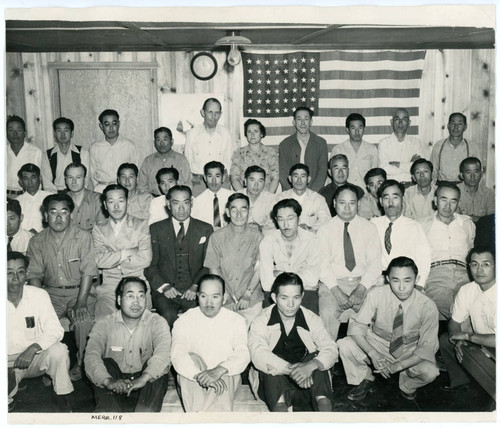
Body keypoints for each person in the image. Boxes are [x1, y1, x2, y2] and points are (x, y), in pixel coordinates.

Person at [338, 257, 439, 401]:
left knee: (431, 371)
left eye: (407, 280)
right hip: (378, 343)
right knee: (344, 344)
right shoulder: (376, 294)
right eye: (396, 280)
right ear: (387, 279)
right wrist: (374, 354)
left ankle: (408, 385)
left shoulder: (428, 306)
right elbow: (356, 326)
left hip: (409, 350)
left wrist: (397, 366)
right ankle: (364, 378)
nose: (402, 287)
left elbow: (427, 348)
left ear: (417, 279)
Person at [26, 193, 98, 381]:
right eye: (53, 212)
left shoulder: (83, 237)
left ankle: (81, 364)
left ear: (71, 215)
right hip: (50, 294)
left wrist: (81, 302)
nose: (58, 217)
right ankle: (49, 365)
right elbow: (34, 275)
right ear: (45, 215)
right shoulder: (37, 241)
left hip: (79, 292)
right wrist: (40, 304)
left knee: (83, 321)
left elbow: (88, 272)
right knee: (40, 322)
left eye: (63, 212)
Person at [248, 272, 337, 412]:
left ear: (302, 297)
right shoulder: (261, 320)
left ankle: (325, 414)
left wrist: (311, 366)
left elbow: (331, 348)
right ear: (274, 298)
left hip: (308, 383)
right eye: (284, 298)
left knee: (317, 359)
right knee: (271, 367)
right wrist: (292, 371)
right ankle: (281, 412)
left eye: (296, 298)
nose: (290, 304)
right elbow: (257, 353)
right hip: (275, 386)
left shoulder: (311, 318)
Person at [84, 277, 171, 412]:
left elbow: (164, 353)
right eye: (130, 296)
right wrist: (108, 381)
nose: (136, 301)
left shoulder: (157, 322)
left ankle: (145, 417)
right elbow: (91, 355)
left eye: (141, 296)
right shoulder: (104, 324)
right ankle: (111, 416)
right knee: (105, 363)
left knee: (158, 369)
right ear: (119, 300)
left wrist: (144, 378)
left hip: (145, 384)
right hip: (114, 383)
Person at [171, 274, 250, 412]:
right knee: (192, 359)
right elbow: (178, 354)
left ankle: (200, 417)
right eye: (203, 296)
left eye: (215, 297)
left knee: (228, 366)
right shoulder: (184, 320)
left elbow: (242, 353)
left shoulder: (236, 320)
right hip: (194, 379)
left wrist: (218, 371)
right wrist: (198, 375)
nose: (209, 303)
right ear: (197, 296)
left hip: (224, 378)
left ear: (224, 298)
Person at [7, 252, 73, 411]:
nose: (16, 278)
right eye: (9, 273)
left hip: (33, 359)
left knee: (59, 350)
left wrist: (33, 348)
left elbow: (55, 329)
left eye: (20, 272)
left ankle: (61, 394)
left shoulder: (39, 295)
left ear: (27, 274)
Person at [317, 185, 382, 340]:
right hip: (333, 285)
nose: (347, 208)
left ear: (358, 205)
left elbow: (375, 264)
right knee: (327, 313)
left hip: (364, 283)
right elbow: (322, 266)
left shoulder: (369, 228)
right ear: (334, 203)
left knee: (379, 314)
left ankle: (370, 354)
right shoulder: (324, 230)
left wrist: (361, 289)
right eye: (342, 203)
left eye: (352, 203)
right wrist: (337, 292)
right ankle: (328, 357)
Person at [145, 185, 213, 327]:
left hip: (194, 290)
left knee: (196, 320)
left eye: (186, 203)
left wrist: (196, 286)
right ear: (168, 204)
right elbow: (150, 266)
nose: (181, 209)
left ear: (191, 203)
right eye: (176, 203)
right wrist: (164, 287)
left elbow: (208, 264)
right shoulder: (156, 229)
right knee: (168, 317)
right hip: (166, 291)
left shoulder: (205, 229)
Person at [438, 247, 495, 391]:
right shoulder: (467, 289)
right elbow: (454, 322)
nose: (479, 270)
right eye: (474, 264)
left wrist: (467, 336)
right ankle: (461, 382)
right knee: (446, 340)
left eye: (486, 264)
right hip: (480, 342)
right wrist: (459, 340)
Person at [92, 184, 152, 320]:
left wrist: (112, 259)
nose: (116, 206)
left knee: (141, 328)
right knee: (104, 326)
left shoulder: (141, 224)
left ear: (127, 202)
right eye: (111, 202)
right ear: (105, 205)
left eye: (121, 201)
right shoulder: (98, 229)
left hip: (138, 285)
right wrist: (126, 253)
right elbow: (98, 260)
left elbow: (145, 258)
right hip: (109, 289)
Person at [204, 193, 264, 325]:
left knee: (253, 338)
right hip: (225, 297)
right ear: (227, 212)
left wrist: (248, 294)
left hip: (251, 299)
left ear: (249, 211)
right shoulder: (217, 237)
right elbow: (214, 268)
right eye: (234, 210)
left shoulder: (258, 237)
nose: (239, 214)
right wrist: (226, 295)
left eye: (243, 209)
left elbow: (259, 269)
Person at [421, 184, 475, 320]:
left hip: (464, 275)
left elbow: (471, 250)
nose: (448, 206)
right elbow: (418, 257)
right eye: (443, 199)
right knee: (456, 313)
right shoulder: (423, 225)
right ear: (435, 200)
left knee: (472, 307)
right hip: (436, 275)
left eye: (453, 201)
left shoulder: (467, 223)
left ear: (458, 203)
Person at [259, 199, 321, 313]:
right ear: (276, 220)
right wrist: (301, 276)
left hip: (305, 294)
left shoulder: (312, 240)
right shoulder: (267, 242)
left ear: (299, 218)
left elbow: (313, 279)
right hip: (277, 295)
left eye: (290, 218)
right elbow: (267, 284)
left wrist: (280, 274)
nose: (286, 224)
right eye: (281, 219)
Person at [371, 180, 431, 287]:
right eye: (386, 198)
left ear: (403, 200)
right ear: (380, 201)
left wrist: (419, 286)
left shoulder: (414, 226)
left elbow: (424, 259)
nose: (390, 202)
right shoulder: (372, 224)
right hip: (378, 280)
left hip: (404, 281)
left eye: (395, 197)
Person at [184, 98, 233, 196]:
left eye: (217, 113)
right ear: (203, 113)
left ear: (221, 114)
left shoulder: (226, 134)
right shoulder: (192, 134)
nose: (213, 116)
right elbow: (188, 161)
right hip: (198, 182)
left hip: (221, 182)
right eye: (210, 112)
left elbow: (229, 162)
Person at [278, 106, 328, 192]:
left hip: (314, 194)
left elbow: (322, 172)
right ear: (294, 122)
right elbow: (283, 173)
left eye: (306, 119)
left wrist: (311, 193)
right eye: (299, 119)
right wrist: (294, 193)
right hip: (291, 194)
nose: (303, 123)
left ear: (311, 122)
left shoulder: (321, 143)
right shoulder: (285, 144)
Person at [88, 109, 139, 193]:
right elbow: (92, 173)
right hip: (101, 189)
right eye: (107, 124)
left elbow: (135, 171)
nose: (111, 128)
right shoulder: (95, 147)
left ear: (118, 124)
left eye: (114, 123)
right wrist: (97, 188)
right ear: (101, 126)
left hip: (124, 189)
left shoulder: (129, 146)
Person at [6, 115, 55, 197]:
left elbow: (46, 180)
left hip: (28, 196)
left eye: (19, 130)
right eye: (11, 130)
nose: (15, 134)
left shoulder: (36, 152)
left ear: (25, 133)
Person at [273, 163, 331, 232]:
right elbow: (274, 222)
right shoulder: (280, 198)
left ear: (308, 179)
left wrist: (310, 228)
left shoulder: (318, 198)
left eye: (303, 176)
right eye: (295, 176)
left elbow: (326, 221)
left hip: (310, 237)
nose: (299, 180)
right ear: (290, 179)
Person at [138, 126, 191, 195]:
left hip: (176, 199)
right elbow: (142, 186)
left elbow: (188, 184)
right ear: (154, 143)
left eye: (165, 139)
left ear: (171, 141)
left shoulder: (181, 160)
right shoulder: (148, 161)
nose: (162, 143)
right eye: (158, 140)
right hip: (153, 200)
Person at [378, 108, 427, 184]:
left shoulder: (416, 143)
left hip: (411, 185)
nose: (400, 123)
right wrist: (409, 164)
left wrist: (398, 164)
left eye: (404, 119)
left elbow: (420, 167)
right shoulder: (383, 143)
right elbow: (384, 169)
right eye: (397, 119)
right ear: (392, 122)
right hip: (391, 186)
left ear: (409, 122)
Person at [230, 119, 279, 193]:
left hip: (266, 197)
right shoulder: (238, 153)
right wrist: (244, 197)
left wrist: (268, 197)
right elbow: (235, 179)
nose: (252, 134)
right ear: (246, 134)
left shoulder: (271, 153)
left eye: (255, 131)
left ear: (261, 134)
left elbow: (275, 178)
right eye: (249, 132)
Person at [331, 113, 378, 187]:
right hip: (344, 193)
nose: (357, 132)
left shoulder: (372, 149)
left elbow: (375, 176)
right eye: (353, 128)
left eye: (360, 128)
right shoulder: (338, 149)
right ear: (347, 129)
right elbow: (333, 176)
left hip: (365, 194)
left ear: (364, 129)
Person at [431, 113, 480, 183]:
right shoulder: (439, 145)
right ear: (448, 126)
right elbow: (433, 171)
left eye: (460, 124)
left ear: (465, 127)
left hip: (464, 188)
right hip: (443, 187)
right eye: (453, 123)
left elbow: (478, 172)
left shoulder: (472, 147)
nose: (456, 127)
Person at [47, 117, 90, 191]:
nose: (62, 134)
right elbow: (47, 183)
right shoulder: (48, 155)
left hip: (77, 192)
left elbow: (86, 178)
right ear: (54, 134)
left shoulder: (82, 152)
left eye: (66, 130)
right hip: (56, 194)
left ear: (72, 133)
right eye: (59, 130)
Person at [191, 161, 233, 229]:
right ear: (205, 178)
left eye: (217, 176)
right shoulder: (198, 201)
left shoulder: (232, 197)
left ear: (223, 178)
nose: (213, 180)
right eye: (210, 176)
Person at [64, 162, 105, 231]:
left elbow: (102, 230)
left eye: (78, 177)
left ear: (85, 179)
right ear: (66, 180)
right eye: (70, 177)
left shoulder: (98, 200)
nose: (74, 181)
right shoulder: (61, 201)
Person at [16, 163, 54, 233]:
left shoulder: (51, 198)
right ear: (21, 182)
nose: (30, 182)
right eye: (26, 179)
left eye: (33, 177)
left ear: (39, 179)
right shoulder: (17, 202)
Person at [457, 157, 495, 222]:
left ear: (481, 173)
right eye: (468, 172)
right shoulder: (454, 192)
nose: (472, 176)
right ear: (462, 175)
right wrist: (480, 219)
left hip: (482, 230)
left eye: (476, 172)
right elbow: (455, 219)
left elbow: (492, 220)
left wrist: (466, 218)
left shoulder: (489, 194)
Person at [241, 165, 276, 233]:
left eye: (260, 181)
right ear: (245, 181)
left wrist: (261, 228)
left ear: (264, 183)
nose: (256, 185)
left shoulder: (271, 199)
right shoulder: (236, 197)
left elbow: (274, 226)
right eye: (252, 180)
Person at [403, 159, 437, 223]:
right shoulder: (407, 194)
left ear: (432, 174)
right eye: (418, 172)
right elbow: (406, 220)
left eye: (425, 171)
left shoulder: (440, 193)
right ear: (414, 177)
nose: (422, 175)